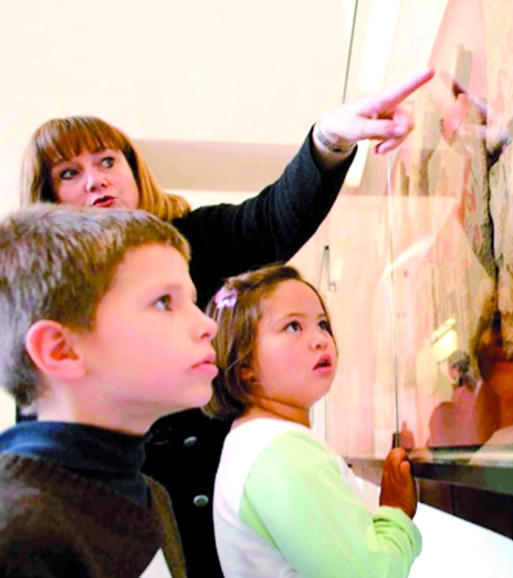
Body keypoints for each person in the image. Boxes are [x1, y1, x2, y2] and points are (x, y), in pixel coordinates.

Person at [18, 68, 434, 577]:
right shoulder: (40, 514)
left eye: (107, 161)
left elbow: (271, 220)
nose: (95, 180)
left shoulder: (195, 239)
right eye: (69, 173)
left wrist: (329, 138)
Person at [0, 205, 219, 576]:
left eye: (193, 301)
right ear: (61, 350)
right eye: (164, 302)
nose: (207, 326)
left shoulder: (151, 495)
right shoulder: (16, 532)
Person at [205, 264, 421, 578]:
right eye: (293, 326)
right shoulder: (279, 450)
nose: (320, 339)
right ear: (244, 365)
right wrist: (396, 511)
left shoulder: (252, 442)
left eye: (322, 324)